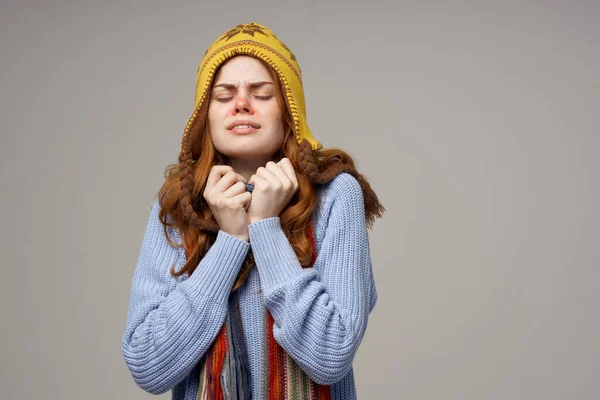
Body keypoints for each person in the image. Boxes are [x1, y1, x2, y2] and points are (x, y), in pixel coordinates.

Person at [121, 21, 385, 399]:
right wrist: (230, 241)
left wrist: (264, 227)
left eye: (261, 93)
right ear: (205, 116)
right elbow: (148, 364)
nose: (241, 104)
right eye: (223, 94)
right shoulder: (179, 206)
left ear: (289, 111)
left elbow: (330, 354)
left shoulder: (335, 196)